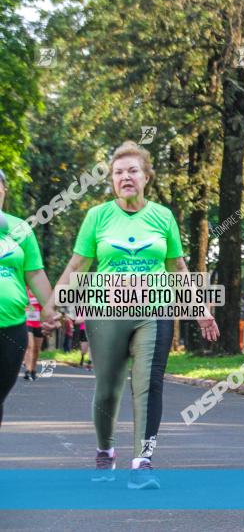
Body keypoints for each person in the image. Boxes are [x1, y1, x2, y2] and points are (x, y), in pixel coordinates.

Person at [53, 142, 219, 489]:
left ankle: (142, 462)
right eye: (118, 172)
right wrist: (55, 304)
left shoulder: (163, 216)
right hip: (106, 309)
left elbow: (177, 267)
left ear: (146, 176)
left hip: (154, 310)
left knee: (149, 383)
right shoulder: (97, 216)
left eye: (132, 171)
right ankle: (104, 451)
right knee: (108, 388)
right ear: (112, 181)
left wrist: (200, 308)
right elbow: (78, 265)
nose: (125, 177)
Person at [0, 168, 59, 429]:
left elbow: (34, 273)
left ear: (3, 190)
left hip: (13, 327)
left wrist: (49, 311)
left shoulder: (20, 228)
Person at [22, 288, 45, 381]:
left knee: (36, 349)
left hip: (39, 324)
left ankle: (33, 370)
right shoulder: (24, 290)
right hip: (27, 322)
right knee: (29, 346)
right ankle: (27, 370)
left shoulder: (40, 291)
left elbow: (45, 308)